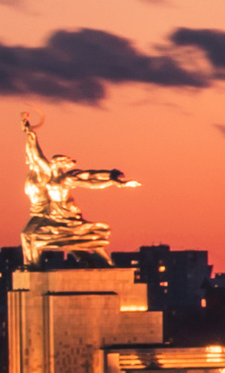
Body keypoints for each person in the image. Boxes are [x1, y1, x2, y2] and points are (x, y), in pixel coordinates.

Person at [20, 112, 138, 264]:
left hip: (67, 215)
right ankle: (33, 267)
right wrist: (30, 134)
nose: (50, 163)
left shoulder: (67, 178)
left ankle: (103, 262)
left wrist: (112, 179)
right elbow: (36, 155)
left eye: (54, 162)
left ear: (59, 164)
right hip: (53, 214)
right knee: (33, 236)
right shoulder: (49, 175)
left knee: (79, 238)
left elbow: (91, 179)